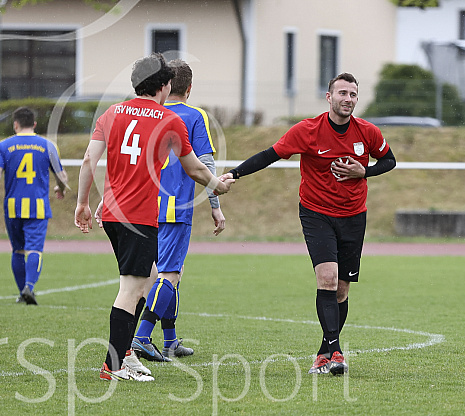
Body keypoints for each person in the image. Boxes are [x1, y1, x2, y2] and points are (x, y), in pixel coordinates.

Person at [222, 72, 396, 375]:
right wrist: (234, 173)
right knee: (327, 278)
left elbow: (389, 161)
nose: (348, 99)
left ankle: (323, 353)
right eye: (342, 93)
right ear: (329, 98)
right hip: (316, 214)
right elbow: (269, 155)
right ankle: (337, 352)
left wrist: (363, 172)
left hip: (354, 216)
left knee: (341, 290)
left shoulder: (368, 132)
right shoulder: (308, 130)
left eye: (353, 94)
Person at [74, 53, 234, 382]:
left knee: (148, 279)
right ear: (164, 86)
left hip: (113, 214)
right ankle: (113, 364)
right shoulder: (168, 121)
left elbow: (89, 161)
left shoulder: (112, 113)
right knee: (132, 289)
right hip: (139, 216)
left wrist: (83, 204)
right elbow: (194, 167)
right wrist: (217, 185)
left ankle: (128, 355)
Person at [132, 59, 225, 362]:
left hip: (142, 206)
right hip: (174, 207)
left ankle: (170, 340)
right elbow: (206, 163)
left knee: (170, 273)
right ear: (189, 87)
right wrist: (216, 205)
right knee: (169, 275)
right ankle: (142, 336)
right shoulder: (194, 115)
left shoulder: (147, 114)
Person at [0, 107, 69, 304]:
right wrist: (60, 188)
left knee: (18, 250)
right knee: (34, 249)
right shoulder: (47, 145)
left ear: (15, 124)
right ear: (34, 124)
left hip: (13, 207)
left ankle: (22, 293)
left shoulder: (3, 146)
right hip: (37, 206)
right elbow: (61, 176)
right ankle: (30, 286)